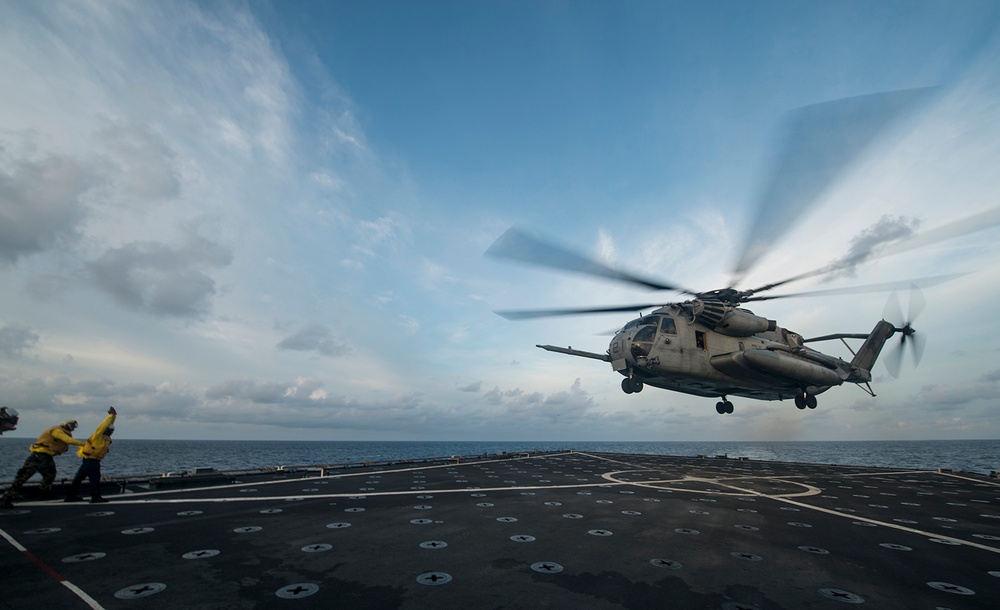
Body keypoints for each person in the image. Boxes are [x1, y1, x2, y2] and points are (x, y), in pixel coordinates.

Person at [1, 418, 85, 508]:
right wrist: (85, 444)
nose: (73, 428)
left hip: (46, 457)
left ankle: (45, 494)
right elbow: (68, 440)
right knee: (22, 477)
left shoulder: (62, 432)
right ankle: (7, 498)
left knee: (50, 475)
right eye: (72, 425)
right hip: (38, 456)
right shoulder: (57, 431)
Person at [65, 407, 117, 504]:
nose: (111, 432)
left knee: (78, 478)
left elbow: (109, 425)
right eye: (110, 430)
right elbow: (103, 426)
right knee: (94, 478)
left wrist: (113, 417)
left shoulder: (106, 438)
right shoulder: (98, 436)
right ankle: (95, 496)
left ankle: (70, 496)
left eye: (112, 430)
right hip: (92, 461)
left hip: (89, 460)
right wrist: (111, 416)